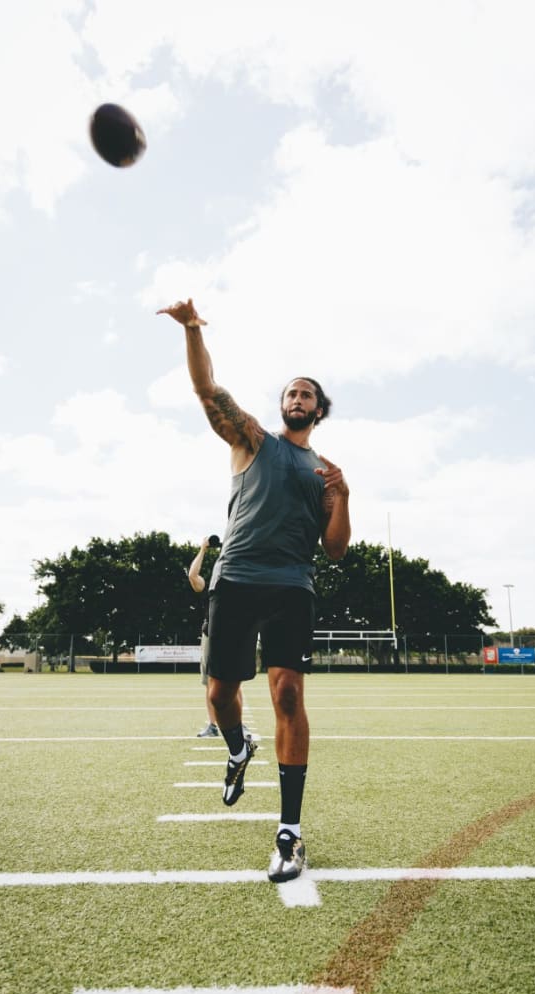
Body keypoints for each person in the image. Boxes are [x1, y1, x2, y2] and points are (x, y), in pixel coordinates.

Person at [158, 298, 351, 883]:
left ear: (319, 409)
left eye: (306, 394)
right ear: (282, 404)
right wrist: (193, 330)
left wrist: (343, 498)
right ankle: (238, 749)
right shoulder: (253, 440)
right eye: (291, 392)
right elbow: (206, 389)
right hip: (236, 580)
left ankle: (289, 833)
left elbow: (336, 549)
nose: (297, 398)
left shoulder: (326, 473)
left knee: (288, 695)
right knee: (220, 696)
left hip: (292, 586)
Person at [188, 535, 245, 738]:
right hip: (210, 635)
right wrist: (203, 549)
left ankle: (239, 724)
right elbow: (192, 575)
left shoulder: (236, 582)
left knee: (233, 681)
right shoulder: (209, 586)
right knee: (209, 682)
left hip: (232, 635)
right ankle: (213, 725)